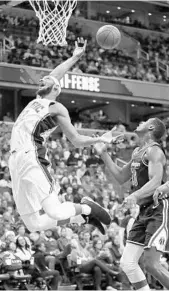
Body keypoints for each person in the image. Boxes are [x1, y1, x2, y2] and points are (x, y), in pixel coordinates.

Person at [9, 38, 112, 234]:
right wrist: (74, 57)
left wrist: (98, 139)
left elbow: (75, 139)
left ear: (55, 89)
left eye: (46, 80)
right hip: (15, 160)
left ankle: (87, 207)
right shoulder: (39, 99)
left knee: (55, 212)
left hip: (32, 156)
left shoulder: (56, 108)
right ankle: (82, 219)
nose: (42, 79)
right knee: (34, 225)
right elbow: (56, 74)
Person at [94, 118, 169, 290]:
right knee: (127, 263)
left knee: (152, 264)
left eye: (144, 121)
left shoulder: (154, 151)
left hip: (158, 209)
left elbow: (156, 181)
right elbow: (121, 177)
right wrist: (103, 153)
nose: (139, 122)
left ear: (150, 128)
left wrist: (134, 196)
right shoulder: (138, 151)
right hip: (143, 211)